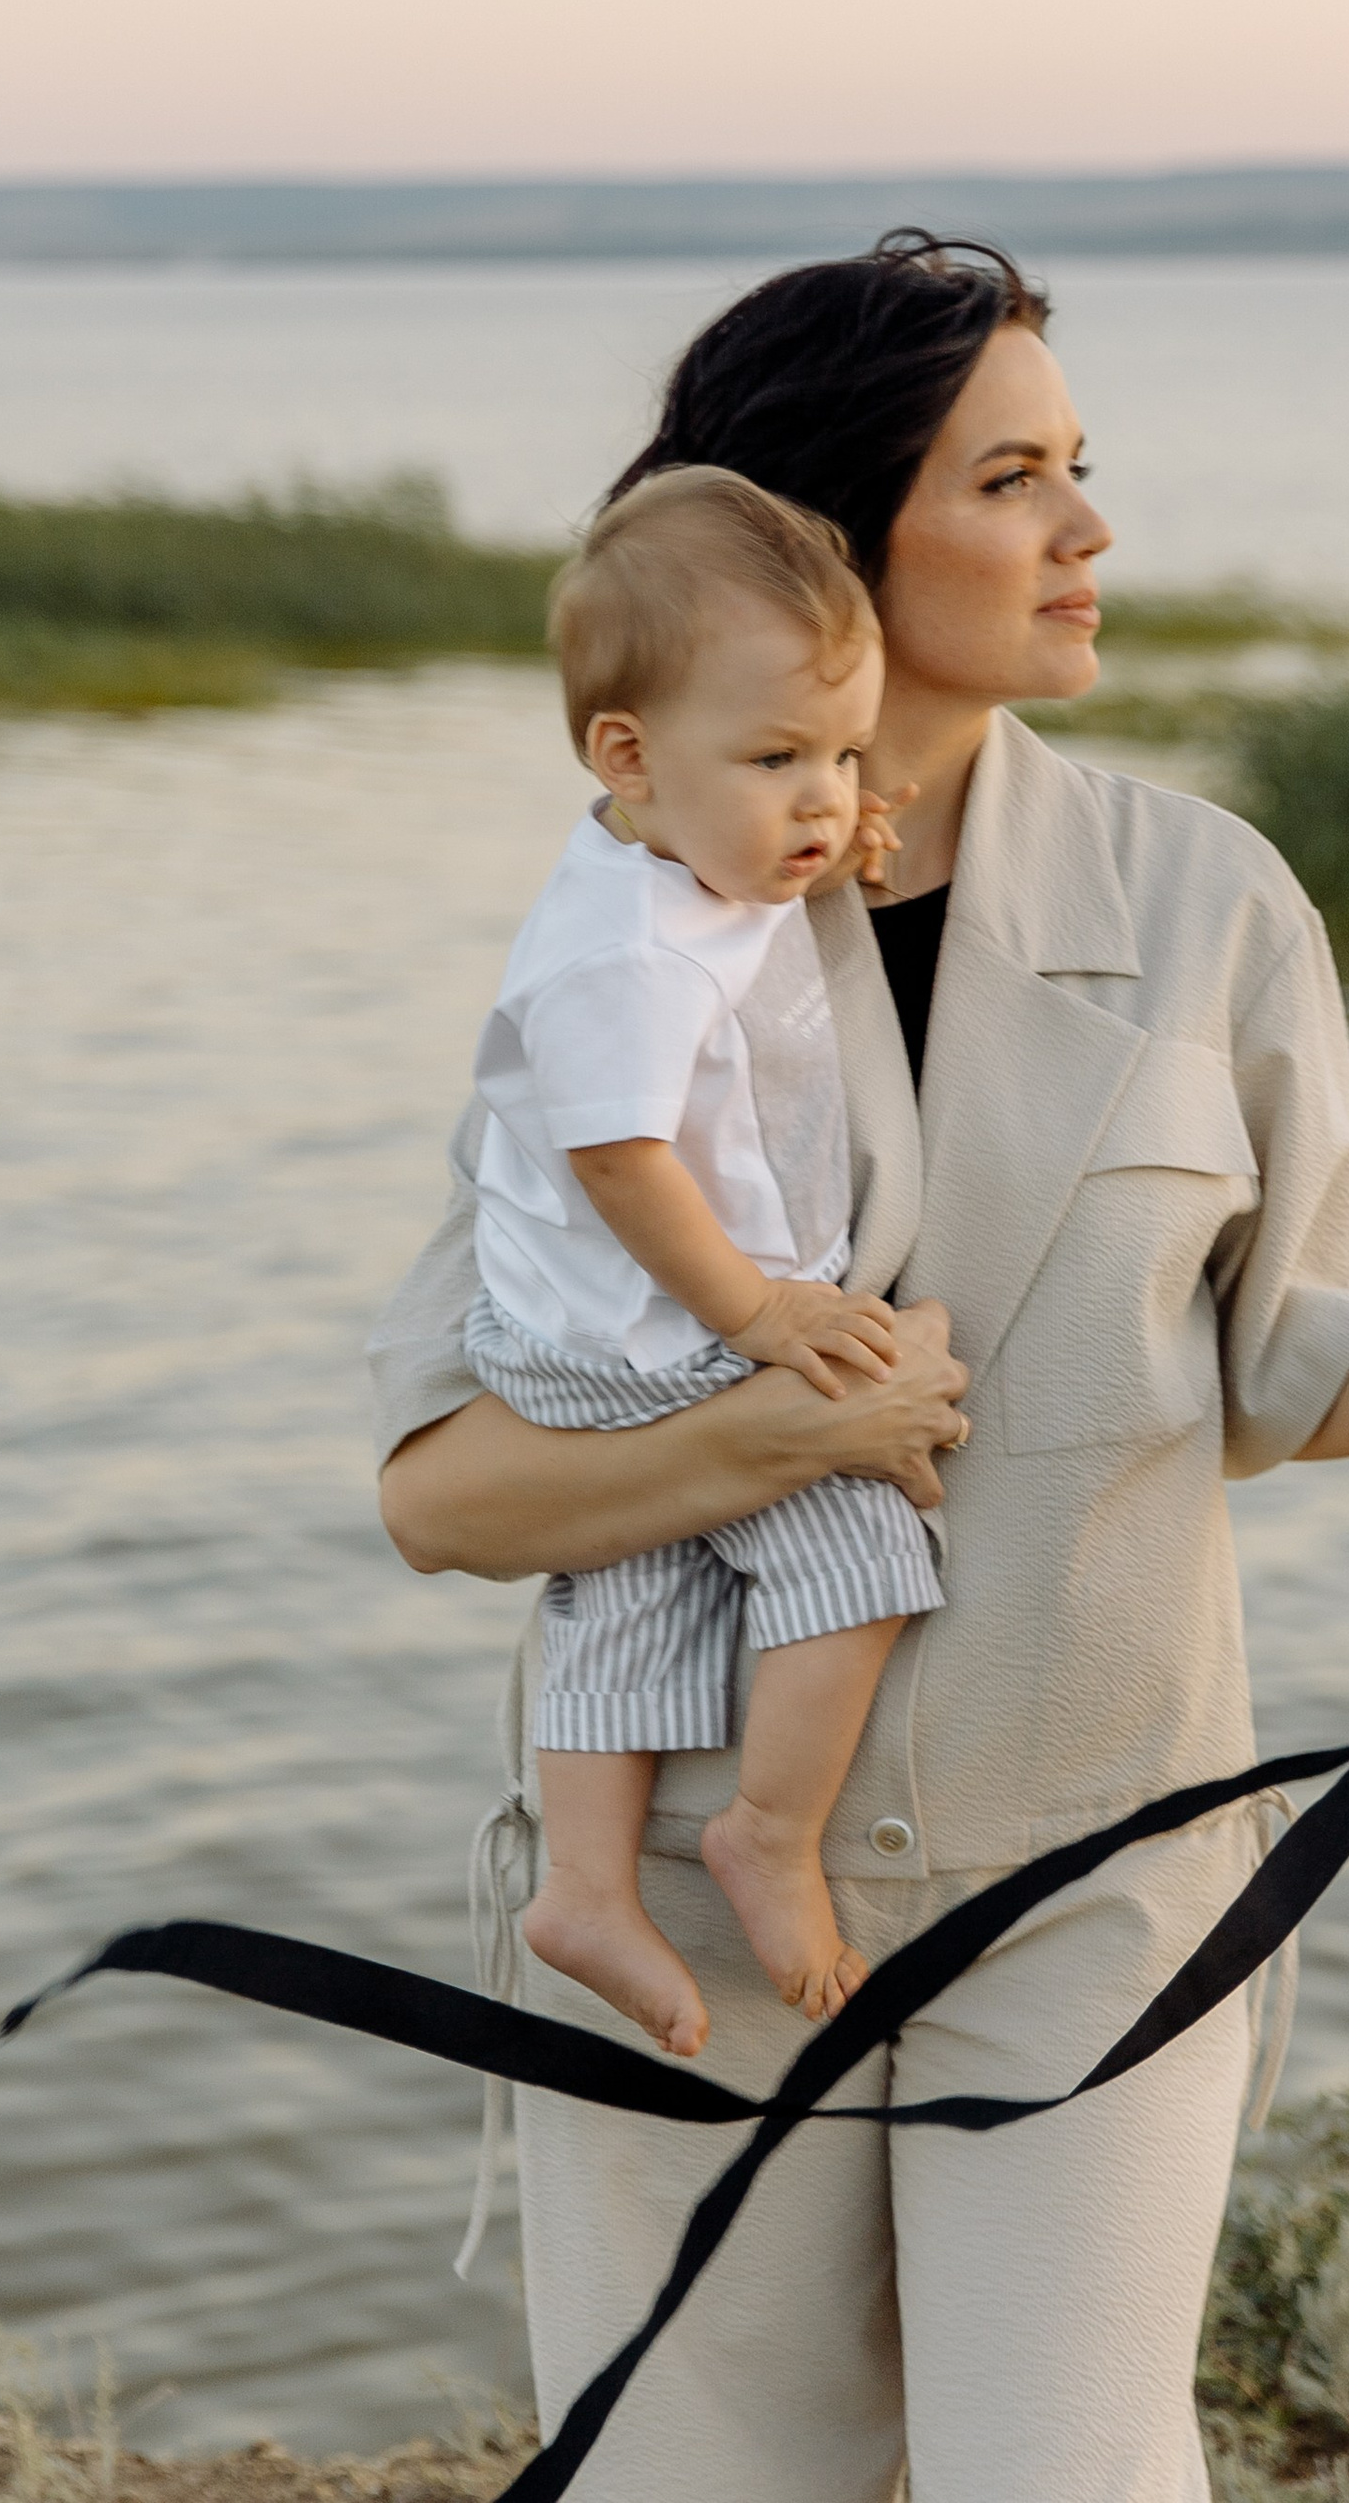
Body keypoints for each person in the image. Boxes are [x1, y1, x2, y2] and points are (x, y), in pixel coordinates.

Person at [370, 232, 1349, 2503]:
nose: (1088, 533)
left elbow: (1288, 1375)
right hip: (683, 1905)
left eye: (1082, 469)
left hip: (1092, 1892)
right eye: (1011, 480)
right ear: (822, 539)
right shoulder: (619, 938)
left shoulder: (1215, 905)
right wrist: (779, 1432)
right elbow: (447, 1490)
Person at [459, 466, 942, 2056]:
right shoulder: (622, 951)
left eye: (847, 755)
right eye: (779, 759)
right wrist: (762, 1315)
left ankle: (585, 1885)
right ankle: (769, 1831)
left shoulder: (687, 854)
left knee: (637, 1583)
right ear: (627, 757)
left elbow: (758, 884)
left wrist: (827, 823)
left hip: (588, 1325)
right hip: (639, 1325)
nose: (822, 800)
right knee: (854, 1544)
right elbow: (617, 1156)